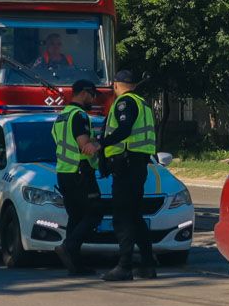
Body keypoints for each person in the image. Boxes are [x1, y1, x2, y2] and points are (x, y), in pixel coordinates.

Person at [99, 69, 158, 281]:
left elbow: (124, 129)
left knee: (122, 217)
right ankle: (147, 265)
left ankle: (124, 266)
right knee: (134, 216)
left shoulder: (125, 103)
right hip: (137, 164)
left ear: (115, 85)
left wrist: (102, 143)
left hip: (126, 164)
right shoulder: (143, 104)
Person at [52, 79, 103, 276]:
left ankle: (74, 265)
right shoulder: (79, 116)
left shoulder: (62, 116)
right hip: (80, 172)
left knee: (75, 217)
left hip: (64, 172)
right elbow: (85, 146)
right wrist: (100, 143)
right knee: (95, 212)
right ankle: (68, 246)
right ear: (84, 93)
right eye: (93, 95)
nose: (94, 99)